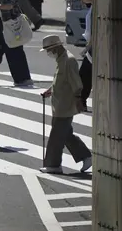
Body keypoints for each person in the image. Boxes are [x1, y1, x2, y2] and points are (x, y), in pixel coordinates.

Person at [39, 35, 92, 174]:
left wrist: (78, 100)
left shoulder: (69, 60)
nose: (47, 53)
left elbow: (76, 83)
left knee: (57, 136)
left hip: (65, 105)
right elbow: (60, 81)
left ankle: (53, 165)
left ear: (56, 47)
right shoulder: (61, 59)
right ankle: (85, 156)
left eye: (49, 50)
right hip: (59, 105)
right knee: (65, 134)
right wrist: (50, 91)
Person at [76, 0, 93, 111]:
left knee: (84, 74)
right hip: (91, 47)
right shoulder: (93, 7)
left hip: (93, 47)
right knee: (85, 74)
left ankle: (81, 102)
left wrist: (88, 46)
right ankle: (81, 102)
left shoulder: (96, 8)